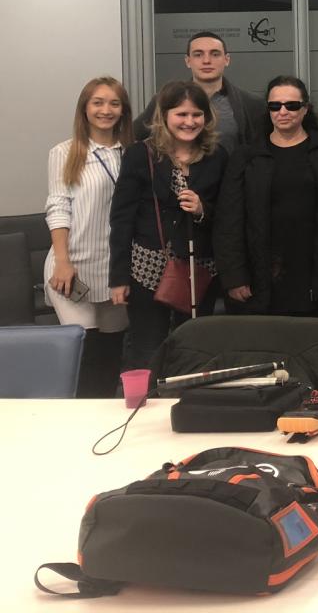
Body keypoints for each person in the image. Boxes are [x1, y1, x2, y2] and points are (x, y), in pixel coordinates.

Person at [215, 76, 318, 319]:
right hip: (261, 275)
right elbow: (229, 220)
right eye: (275, 106)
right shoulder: (247, 156)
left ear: (306, 109)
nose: (283, 112)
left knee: (315, 338)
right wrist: (234, 276)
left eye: (292, 105)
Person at [109, 80, 228, 370]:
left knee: (195, 349)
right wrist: (119, 278)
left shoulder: (217, 156)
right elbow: (122, 218)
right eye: (181, 114)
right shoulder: (141, 154)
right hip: (147, 269)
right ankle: (150, 398)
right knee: (148, 349)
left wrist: (202, 209)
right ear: (164, 116)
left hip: (199, 270)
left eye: (197, 114)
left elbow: (228, 214)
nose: (190, 122)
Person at [43, 77, 134, 397]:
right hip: (72, 269)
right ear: (84, 108)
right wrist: (62, 261)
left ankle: (105, 418)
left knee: (110, 355)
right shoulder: (65, 152)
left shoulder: (132, 154)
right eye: (98, 102)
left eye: (114, 103)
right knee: (84, 352)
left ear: (123, 110)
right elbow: (58, 207)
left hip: (114, 271)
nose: (105, 110)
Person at [134, 31, 263, 147]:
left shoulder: (252, 103)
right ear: (188, 61)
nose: (206, 60)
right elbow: (133, 135)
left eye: (215, 54)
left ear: (227, 59)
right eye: (198, 55)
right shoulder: (164, 100)